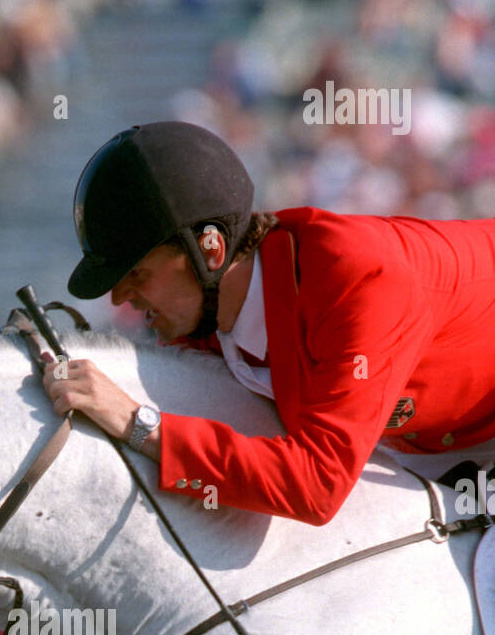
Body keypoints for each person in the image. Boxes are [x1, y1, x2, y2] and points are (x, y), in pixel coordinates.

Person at [42, 122, 495, 525]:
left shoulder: (360, 280)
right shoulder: (211, 314)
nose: (119, 297)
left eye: (136, 273)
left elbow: (317, 488)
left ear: (212, 250)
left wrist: (138, 424)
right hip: (443, 443)